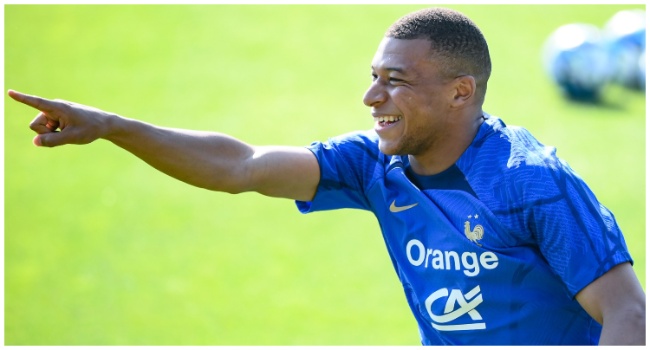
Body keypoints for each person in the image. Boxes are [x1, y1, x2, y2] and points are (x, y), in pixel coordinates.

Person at [8, 7, 645, 346]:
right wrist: (115, 126)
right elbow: (242, 167)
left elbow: (627, 315)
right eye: (374, 75)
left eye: (395, 80)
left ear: (460, 93)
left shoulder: (530, 183)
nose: (371, 97)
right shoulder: (374, 163)